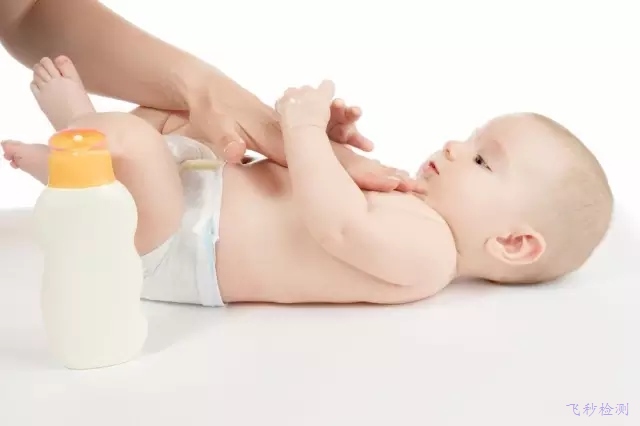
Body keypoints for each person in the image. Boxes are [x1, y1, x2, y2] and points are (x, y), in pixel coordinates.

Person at [2, 58, 613, 306]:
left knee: (133, 146)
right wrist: (328, 145)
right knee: (170, 115)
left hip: (182, 247)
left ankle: (73, 135)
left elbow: (338, 226)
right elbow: (318, 186)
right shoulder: (411, 199)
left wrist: (302, 129)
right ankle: (82, 151)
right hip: (198, 195)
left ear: (512, 243)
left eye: (482, 161)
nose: (456, 146)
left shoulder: (430, 256)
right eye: (471, 137)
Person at [0, 0, 418, 193]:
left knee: (164, 129)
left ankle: (79, 134)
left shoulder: (426, 246)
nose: (449, 148)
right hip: (194, 222)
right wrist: (307, 142)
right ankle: (80, 135)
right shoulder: (420, 244)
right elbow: (339, 229)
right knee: (146, 148)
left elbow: (25, 11)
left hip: (192, 222)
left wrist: (205, 89)